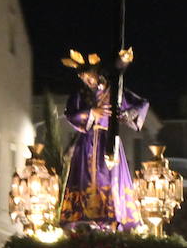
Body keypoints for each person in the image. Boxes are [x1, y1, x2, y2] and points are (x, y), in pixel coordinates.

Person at [57, 50, 149, 230]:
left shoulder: (116, 92)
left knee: (110, 177)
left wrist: (124, 115)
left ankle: (112, 216)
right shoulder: (81, 95)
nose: (87, 80)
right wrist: (92, 113)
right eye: (83, 78)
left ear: (97, 73)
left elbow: (141, 104)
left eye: (89, 76)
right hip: (87, 144)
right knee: (86, 179)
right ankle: (86, 217)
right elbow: (71, 114)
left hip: (109, 140)